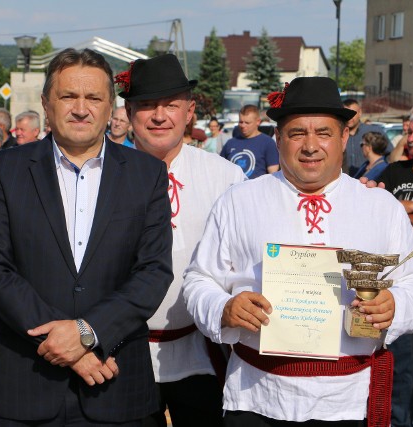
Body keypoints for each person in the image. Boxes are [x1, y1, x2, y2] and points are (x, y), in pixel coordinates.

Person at [182, 76, 413, 426]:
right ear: (278, 138)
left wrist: (396, 305)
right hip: (258, 396)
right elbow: (199, 279)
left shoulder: (379, 206)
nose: (311, 146)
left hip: (348, 399)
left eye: (325, 133)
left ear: (345, 137)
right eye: (297, 133)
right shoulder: (239, 202)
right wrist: (224, 307)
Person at [0, 48, 173, 426]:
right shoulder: (4, 169)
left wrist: (88, 332)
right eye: (68, 96)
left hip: (114, 380)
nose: (81, 108)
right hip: (26, 379)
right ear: (46, 104)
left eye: (94, 98)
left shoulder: (146, 174)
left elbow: (153, 271)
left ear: (110, 107)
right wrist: (71, 346)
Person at [118, 53, 245, 427]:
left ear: (189, 112)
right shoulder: (104, 176)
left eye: (170, 105)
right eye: (146, 105)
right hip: (124, 354)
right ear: (128, 111)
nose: (160, 116)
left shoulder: (226, 177)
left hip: (204, 352)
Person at [379, 106, 413, 427]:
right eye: (408, 132)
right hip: (397, 279)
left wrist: (402, 209)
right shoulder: (392, 172)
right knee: (401, 364)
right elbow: (375, 210)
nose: (409, 139)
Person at [220, 104, 279, 178]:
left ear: (258, 122)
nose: (243, 126)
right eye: (241, 122)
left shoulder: (268, 142)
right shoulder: (230, 143)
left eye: (247, 123)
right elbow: (220, 169)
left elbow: (273, 175)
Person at [342, 98, 388, 175]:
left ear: (360, 113)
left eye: (353, 113)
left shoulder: (375, 131)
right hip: (345, 182)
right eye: (346, 113)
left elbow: (390, 155)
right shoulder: (338, 135)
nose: (350, 117)